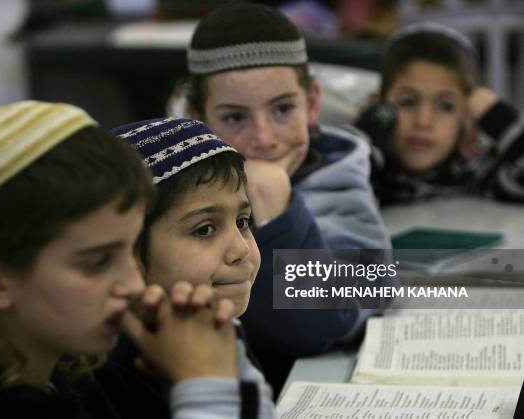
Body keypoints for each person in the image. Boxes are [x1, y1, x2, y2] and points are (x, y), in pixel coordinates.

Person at [0, 100, 273, 418]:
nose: (134, 284)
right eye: (98, 262)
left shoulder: (63, 378)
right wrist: (207, 389)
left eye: (129, 252)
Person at [183, 2, 392, 393]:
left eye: (282, 109)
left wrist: (276, 211)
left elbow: (329, 319)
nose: (264, 138)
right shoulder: (178, 191)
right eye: (234, 118)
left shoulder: (338, 178)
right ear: (198, 120)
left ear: (312, 104)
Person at [110, 117, 275, 413]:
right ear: (128, 251)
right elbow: (310, 326)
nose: (240, 249)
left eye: (243, 222)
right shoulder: (111, 379)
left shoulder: (215, 326)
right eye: (204, 230)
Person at [354, 22, 524, 205]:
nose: (423, 121)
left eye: (446, 106)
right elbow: (329, 178)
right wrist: (367, 131)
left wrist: (498, 117)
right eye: (408, 102)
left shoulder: (474, 175)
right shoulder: (370, 175)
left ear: (467, 119)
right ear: (379, 105)